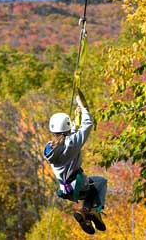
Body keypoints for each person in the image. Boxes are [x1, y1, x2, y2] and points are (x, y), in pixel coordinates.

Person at [43, 95, 107, 235]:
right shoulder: (71, 143)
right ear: (66, 128)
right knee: (100, 182)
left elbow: (68, 136)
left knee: (93, 187)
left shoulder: (50, 148)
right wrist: (84, 108)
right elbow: (87, 124)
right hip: (77, 184)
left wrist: (75, 120)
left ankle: (86, 214)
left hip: (64, 189)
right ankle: (91, 212)